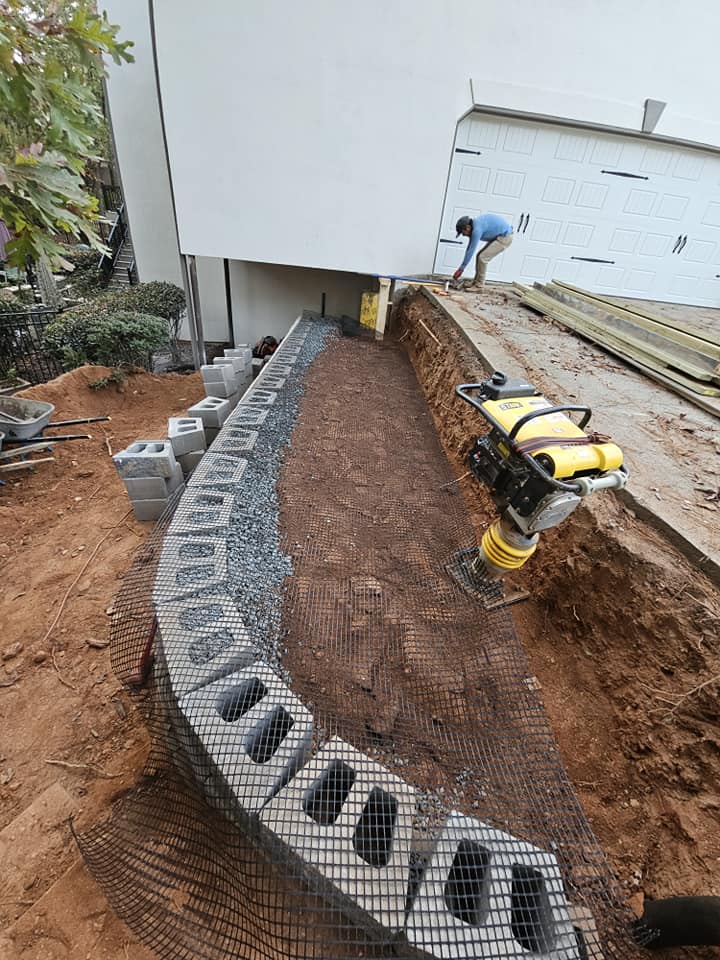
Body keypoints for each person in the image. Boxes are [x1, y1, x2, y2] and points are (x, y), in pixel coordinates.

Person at [452, 213, 513, 291]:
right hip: (499, 236)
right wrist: (462, 268)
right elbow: (469, 247)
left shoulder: (476, 230)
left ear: (468, 227)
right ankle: (476, 282)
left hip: (505, 237)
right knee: (479, 256)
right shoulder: (475, 226)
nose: (463, 235)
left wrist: (461, 269)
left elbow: (471, 250)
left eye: (463, 233)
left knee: (483, 258)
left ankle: (479, 286)